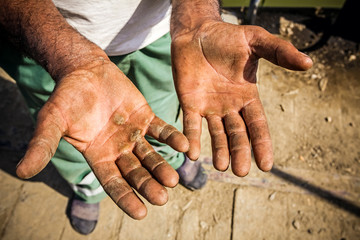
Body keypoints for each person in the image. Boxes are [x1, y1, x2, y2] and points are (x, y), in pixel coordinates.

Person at [0, 0, 312, 235]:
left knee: (163, 111)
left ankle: (173, 158)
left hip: (158, 30)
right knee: (75, 131)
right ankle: (87, 186)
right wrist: (69, 59)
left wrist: (197, 16)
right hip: (39, 43)